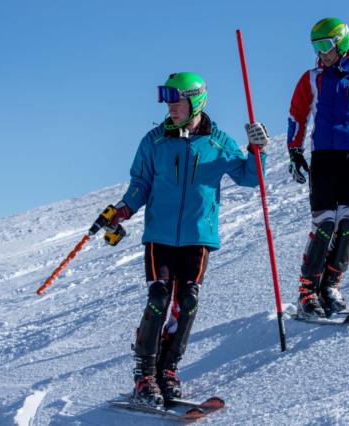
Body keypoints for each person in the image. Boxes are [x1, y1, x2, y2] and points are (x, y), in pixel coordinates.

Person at [90, 72, 269, 406]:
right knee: (159, 297)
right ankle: (145, 375)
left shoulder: (218, 143)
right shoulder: (154, 141)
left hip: (198, 237)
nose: (170, 107)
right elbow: (140, 184)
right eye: (167, 100)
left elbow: (250, 178)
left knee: (187, 301)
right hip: (160, 236)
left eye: (177, 100)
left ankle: (168, 370)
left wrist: (257, 150)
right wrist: (124, 209)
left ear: (196, 101)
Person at [286, 18, 349, 318]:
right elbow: (297, 115)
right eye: (316, 47)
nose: (321, 53)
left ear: (341, 43)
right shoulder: (311, 78)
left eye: (326, 45)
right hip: (324, 157)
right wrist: (295, 151)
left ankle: (330, 286)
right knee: (324, 223)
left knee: (347, 222)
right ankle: (307, 292)